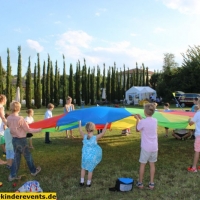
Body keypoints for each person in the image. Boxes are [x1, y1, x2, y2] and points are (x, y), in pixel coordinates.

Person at [7, 101, 42, 181]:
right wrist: (39, 130)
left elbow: (10, 126)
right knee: (28, 156)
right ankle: (33, 171)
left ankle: (12, 175)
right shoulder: (20, 118)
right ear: (19, 108)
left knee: (16, 158)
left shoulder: (8, 118)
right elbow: (28, 129)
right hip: (21, 140)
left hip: (14, 140)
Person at [134, 103, 158, 190]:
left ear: (144, 112)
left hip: (146, 148)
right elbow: (147, 122)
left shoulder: (143, 122)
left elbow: (137, 129)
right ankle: (151, 183)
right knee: (152, 164)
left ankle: (140, 183)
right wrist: (141, 119)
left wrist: (137, 119)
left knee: (142, 164)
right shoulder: (155, 120)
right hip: (154, 147)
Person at [78, 121, 108, 187]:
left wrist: (79, 123)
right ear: (94, 129)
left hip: (84, 157)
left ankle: (82, 181)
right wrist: (106, 124)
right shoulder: (95, 138)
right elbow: (103, 133)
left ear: (86, 129)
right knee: (90, 170)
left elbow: (80, 130)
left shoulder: (84, 136)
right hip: (91, 158)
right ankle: (88, 183)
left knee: (83, 168)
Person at [187, 99, 200, 172]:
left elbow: (191, 123)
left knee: (197, 151)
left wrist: (189, 120)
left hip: (199, 135)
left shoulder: (198, 113)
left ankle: (194, 168)